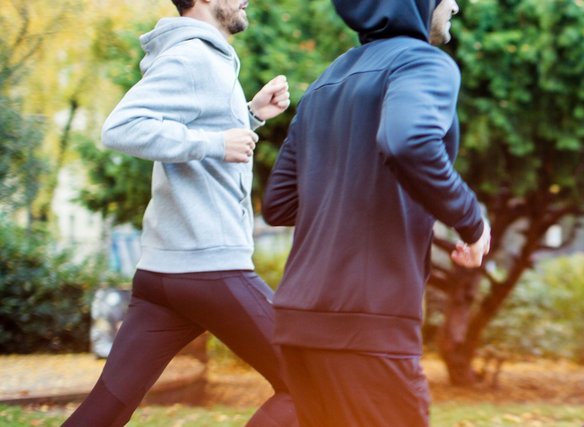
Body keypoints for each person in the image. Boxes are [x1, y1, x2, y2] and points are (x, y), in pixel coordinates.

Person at [65, 0, 295, 425]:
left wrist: (250, 115)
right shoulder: (193, 55)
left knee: (106, 408)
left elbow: (204, 135)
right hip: (210, 268)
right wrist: (213, 144)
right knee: (312, 376)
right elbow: (121, 128)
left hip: (165, 273)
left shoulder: (204, 56)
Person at [261, 0, 489, 425]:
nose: (455, 5)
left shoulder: (325, 81)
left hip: (298, 323)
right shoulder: (423, 62)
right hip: (367, 325)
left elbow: (278, 203)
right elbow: (409, 142)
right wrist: (472, 222)